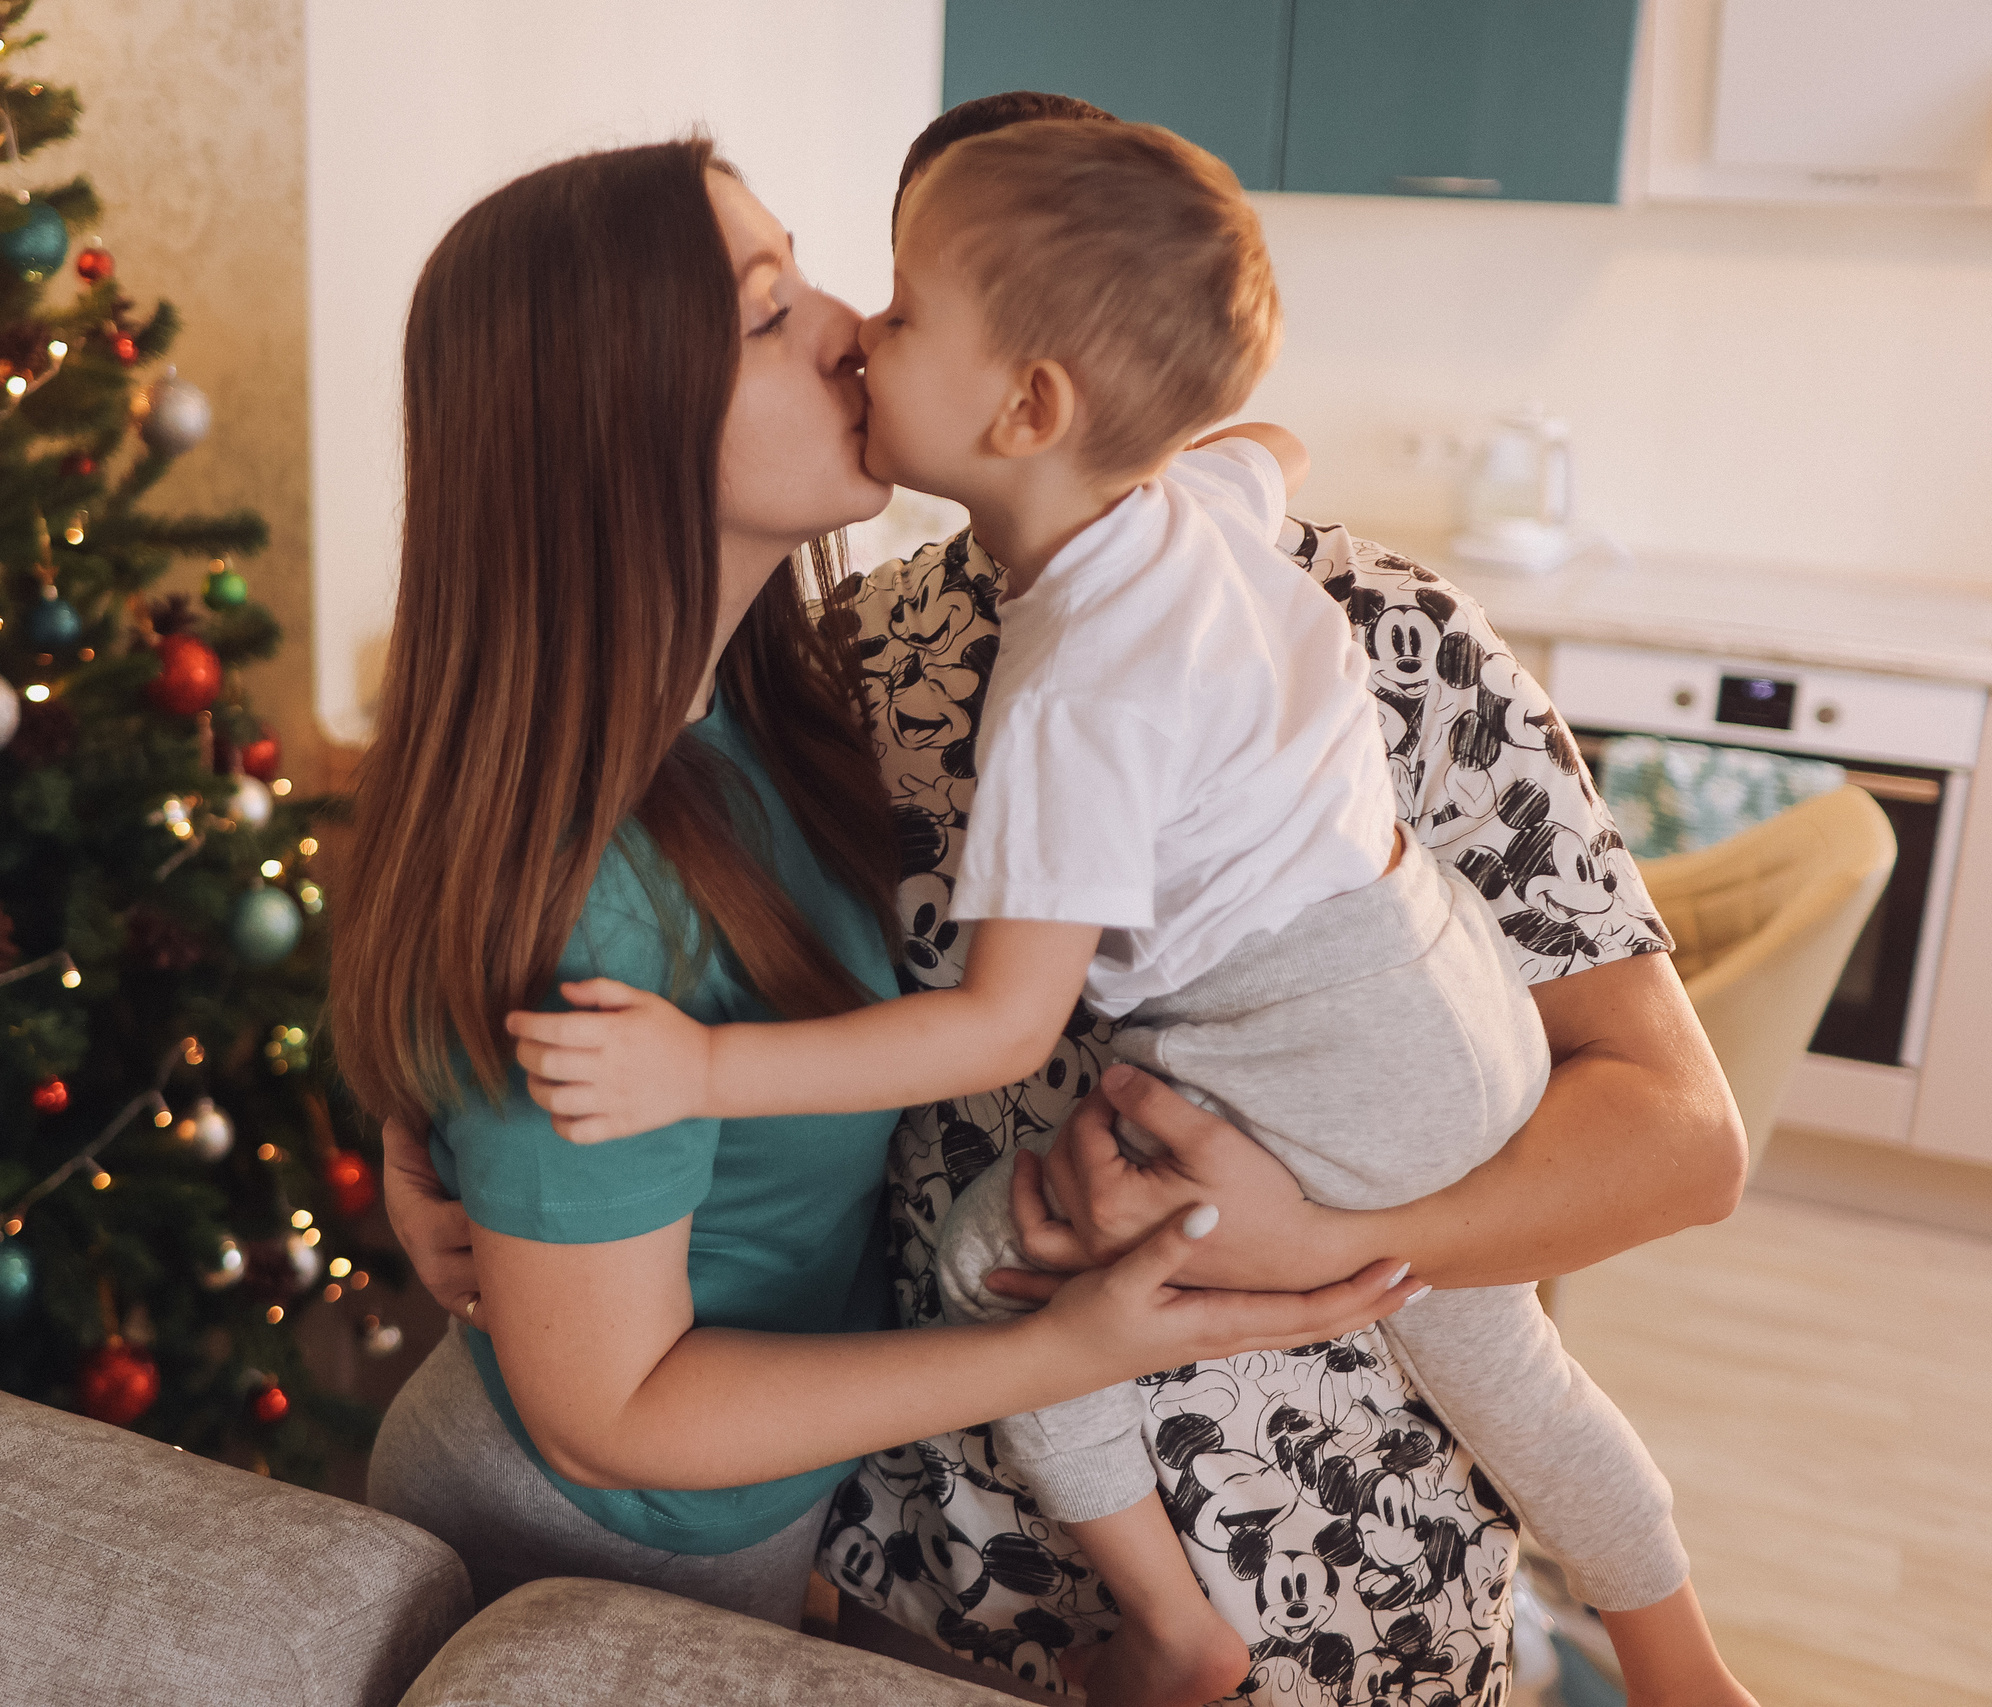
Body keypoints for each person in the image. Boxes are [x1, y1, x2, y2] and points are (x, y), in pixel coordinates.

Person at [381, 98, 1751, 1706]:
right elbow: (554, 886)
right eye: (835, 297)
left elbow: (1680, 1140)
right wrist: (436, 1112)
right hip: (926, 1549)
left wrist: (1325, 1240)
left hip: (1332, 1557)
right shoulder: (851, 667)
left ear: (1041, 388)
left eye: (890, 307)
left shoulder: (1369, 627)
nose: (852, 339)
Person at [331, 135, 1427, 1636]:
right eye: (772, 312)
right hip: (581, 1553)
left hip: (742, 1524)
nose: (853, 328)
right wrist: (1072, 1350)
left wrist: (429, 1133)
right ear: (618, 429)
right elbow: (614, 1420)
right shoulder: (598, 891)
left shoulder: (758, 706)